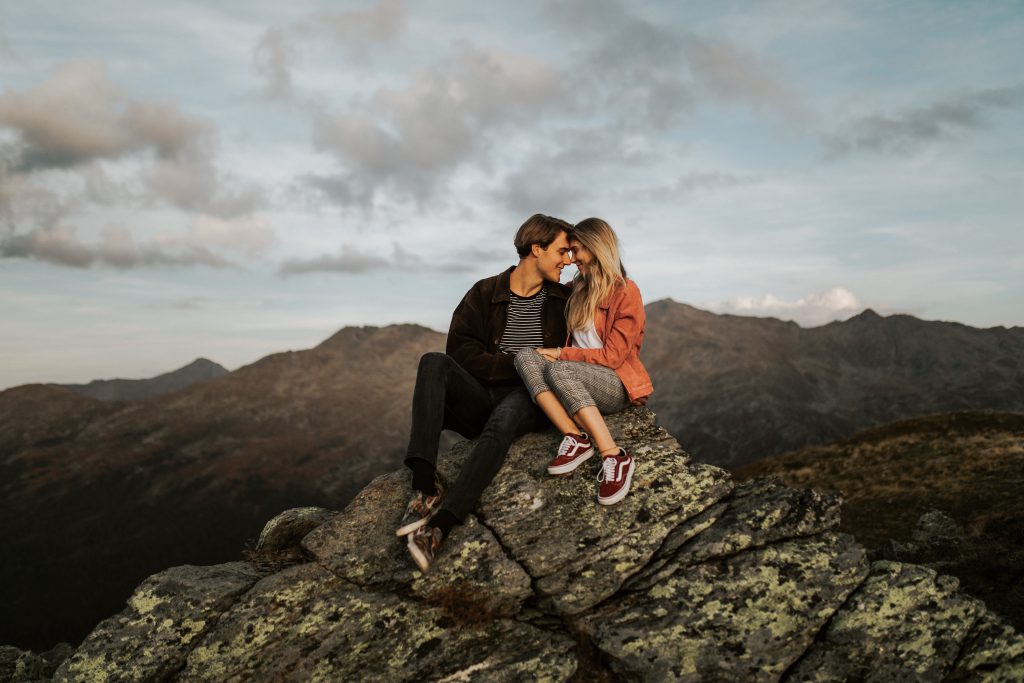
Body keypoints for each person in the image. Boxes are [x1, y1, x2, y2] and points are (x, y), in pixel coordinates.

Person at [399, 214, 574, 572]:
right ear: (536, 249)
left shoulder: (565, 300)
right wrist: (523, 362)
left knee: (503, 421)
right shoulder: (484, 292)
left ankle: (441, 526)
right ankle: (424, 487)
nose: (568, 260)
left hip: (531, 396)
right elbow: (460, 353)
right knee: (433, 361)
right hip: (480, 397)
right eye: (562, 251)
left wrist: (530, 371)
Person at [513, 217, 653, 505]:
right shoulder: (577, 287)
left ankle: (614, 455)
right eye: (569, 251)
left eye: (576, 250)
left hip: (614, 383)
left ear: (596, 247)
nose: (572, 258)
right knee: (526, 357)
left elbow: (613, 357)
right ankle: (575, 437)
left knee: (560, 367)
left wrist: (562, 354)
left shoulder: (626, 291)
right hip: (571, 377)